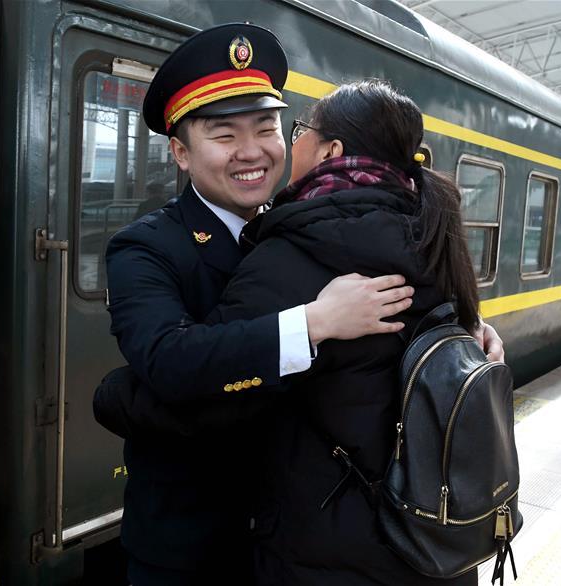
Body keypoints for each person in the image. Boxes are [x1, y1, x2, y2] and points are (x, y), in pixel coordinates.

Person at [105, 24, 423, 586]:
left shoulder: (302, 226)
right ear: (181, 152)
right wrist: (313, 324)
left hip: (291, 538)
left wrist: (466, 332)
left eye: (266, 127)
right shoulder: (147, 248)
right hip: (190, 547)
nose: (252, 153)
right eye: (224, 135)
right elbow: (168, 360)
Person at [205, 80, 486, 585]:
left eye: (300, 131)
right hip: (432, 546)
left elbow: (210, 391)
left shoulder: (291, 253)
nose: (293, 144)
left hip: (328, 554)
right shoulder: (434, 234)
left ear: (331, 150)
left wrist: (116, 397)